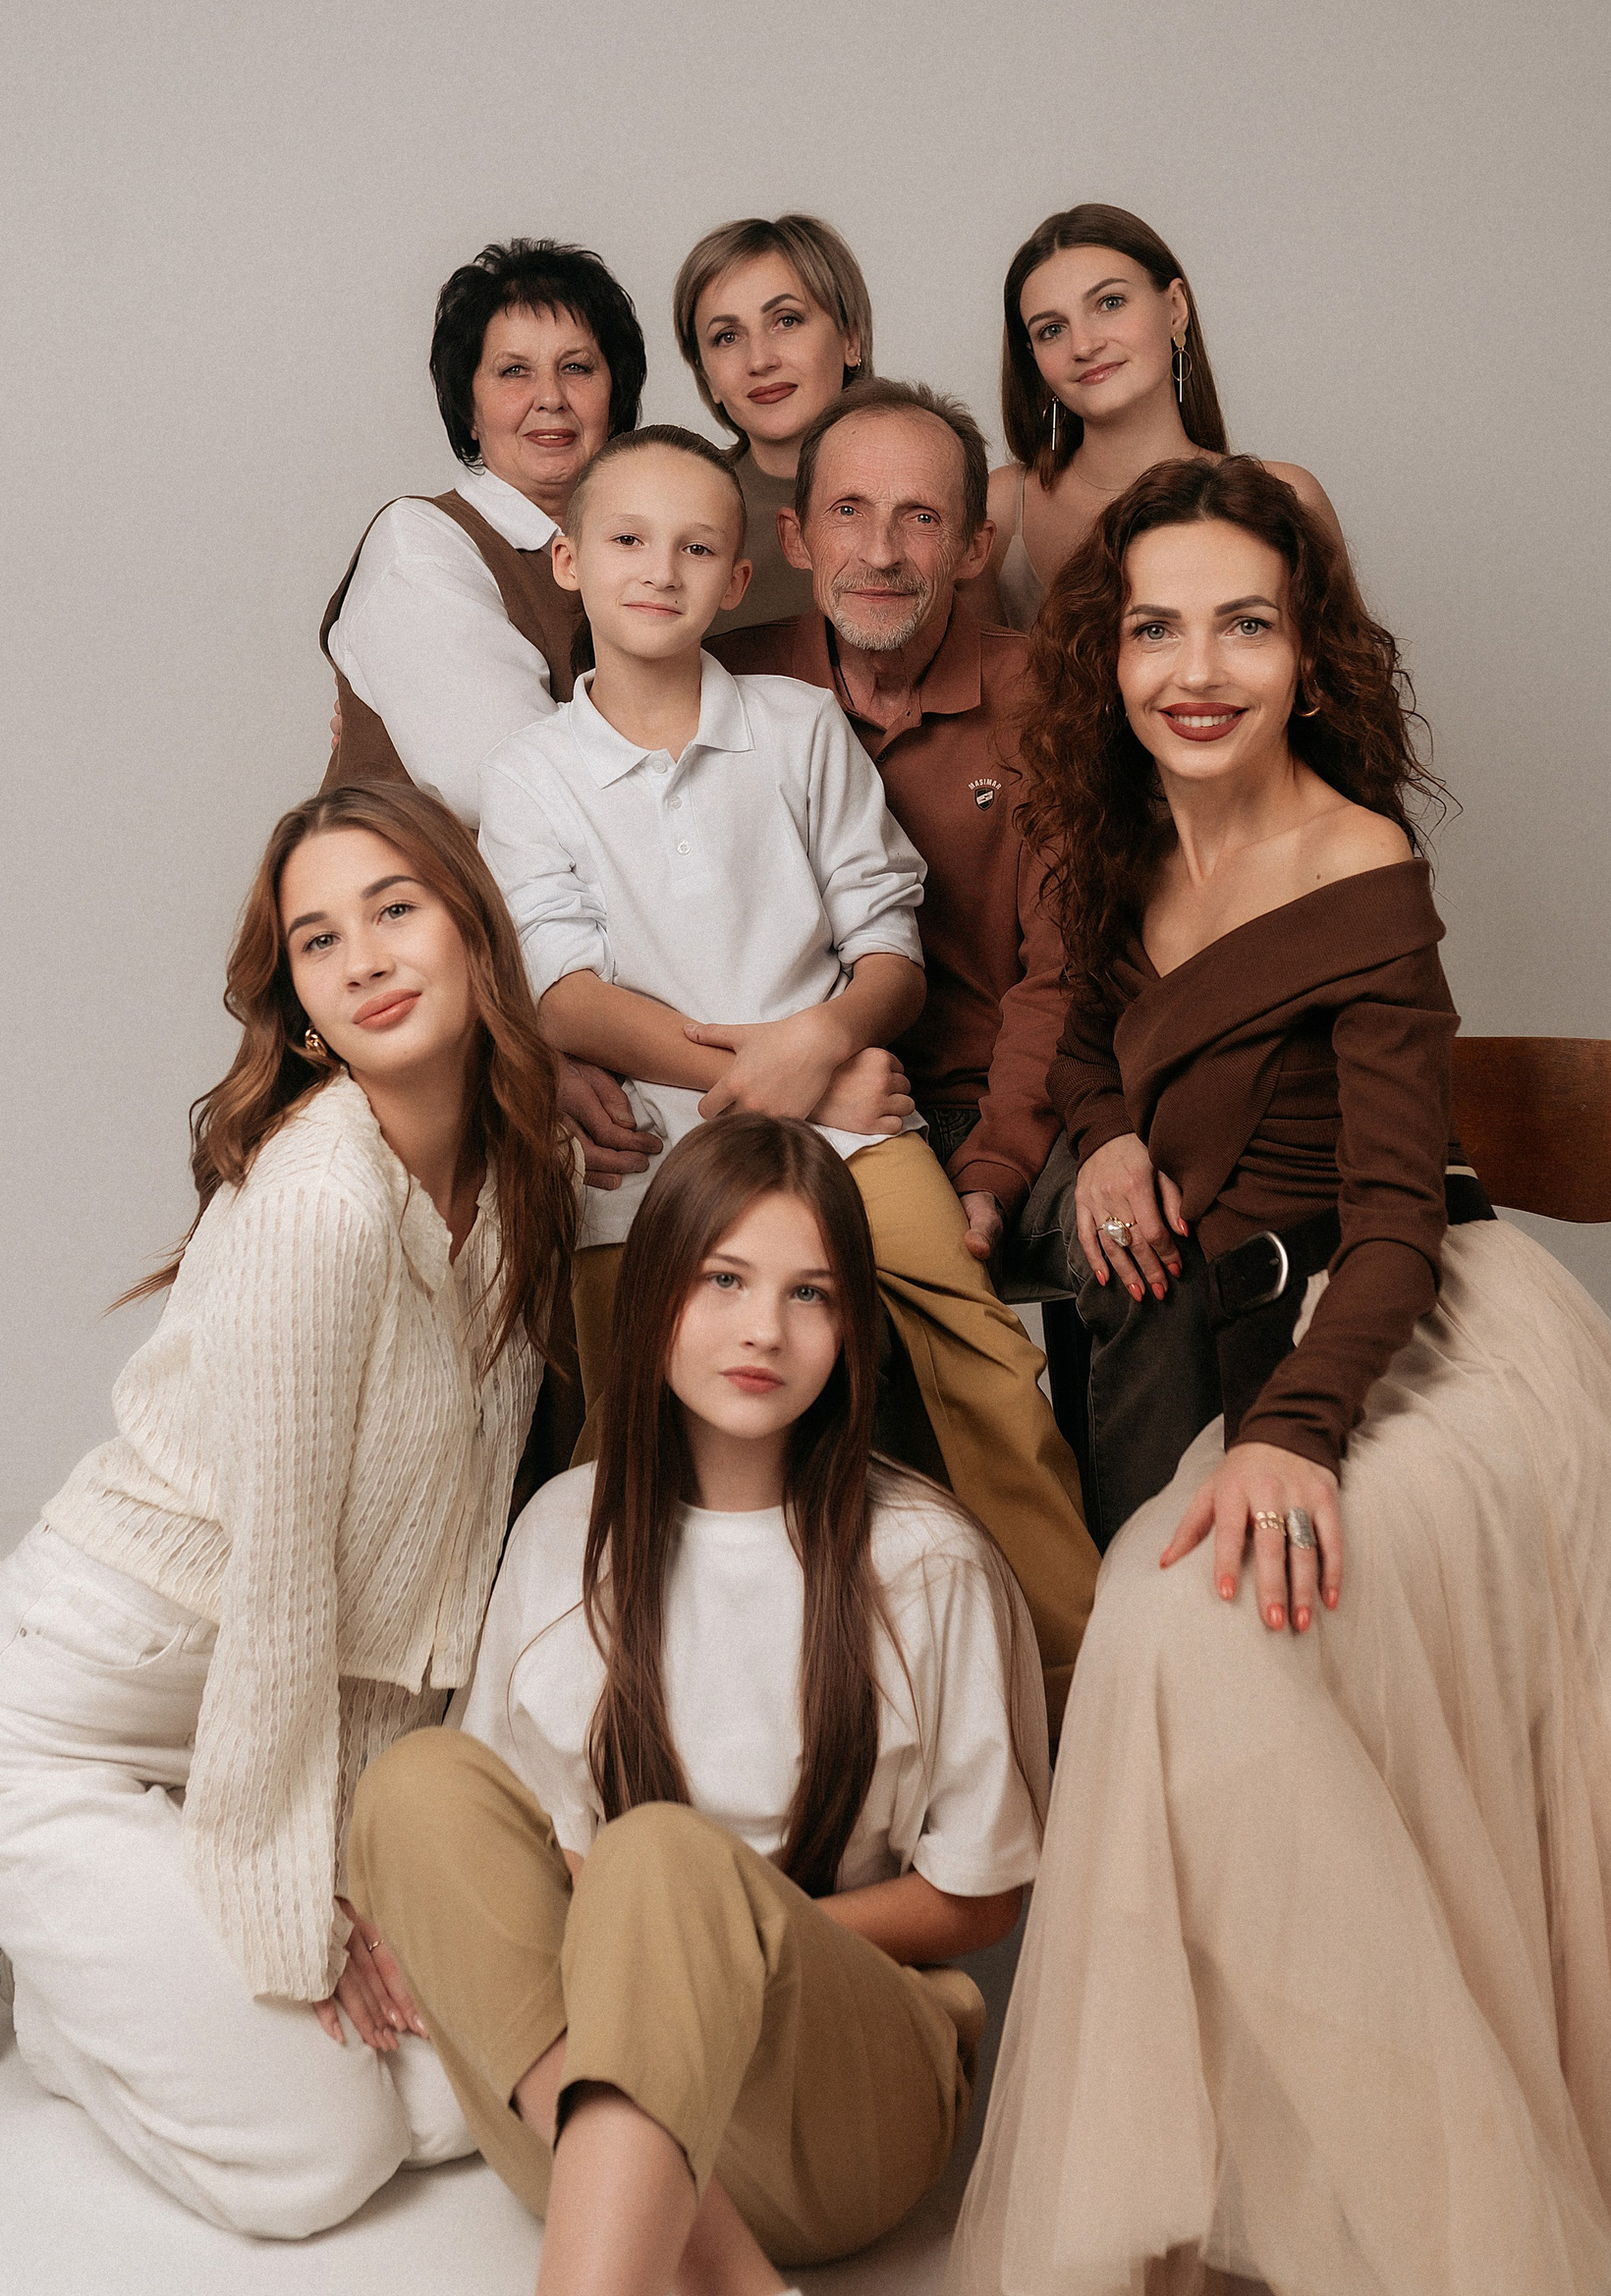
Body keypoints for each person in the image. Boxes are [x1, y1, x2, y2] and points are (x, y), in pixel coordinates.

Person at [950, 460, 1611, 2296]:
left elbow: (1399, 1223)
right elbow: (1099, 1037)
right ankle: (1257, 2197)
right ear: (1111, 654)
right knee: (1173, 1629)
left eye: (1245, 625)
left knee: (1187, 1617)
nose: (1197, 669)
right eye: (1157, 627)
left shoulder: (1359, 865)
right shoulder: (1119, 834)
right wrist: (1111, 1136)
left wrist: (1290, 1436)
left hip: (1415, 1340)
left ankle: (1438, 2218)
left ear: (1307, 654)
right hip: (1253, 1338)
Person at [0, 784, 580, 2237]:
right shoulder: (324, 1202)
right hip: (61, 1712)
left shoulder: (517, 1173)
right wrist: (299, 1904)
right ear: (301, 1008)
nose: (365, 957)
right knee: (321, 2158)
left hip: (232, 1729)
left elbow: (434, 1581)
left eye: (395, 908)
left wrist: (374, 1861)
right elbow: (286, 1594)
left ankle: (131, 1914)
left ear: (473, 929)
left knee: (449, 2102)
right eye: (319, 939)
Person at [343, 1115, 1049, 2296]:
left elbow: (981, 1893)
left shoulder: (928, 1560)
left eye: (809, 1292)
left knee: (661, 1858)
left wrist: (730, 1941)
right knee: (412, 1786)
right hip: (589, 2107)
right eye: (724, 1278)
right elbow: (522, 1852)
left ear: (851, 1327)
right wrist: (645, 1946)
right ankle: (719, 2270)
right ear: (657, 1289)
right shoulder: (564, 1529)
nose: (764, 1328)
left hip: (838, 2120)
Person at [477, 425, 1097, 1733]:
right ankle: (608, 1718)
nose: (661, 570)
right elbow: (563, 994)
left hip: (857, 1141)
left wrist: (823, 1050)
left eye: (697, 546)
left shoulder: (798, 725)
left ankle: (1080, 1685)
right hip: (648, 1156)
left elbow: (890, 948)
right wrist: (792, 1073)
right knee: (622, 1427)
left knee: (989, 1372)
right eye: (629, 541)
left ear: (743, 572)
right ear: (569, 559)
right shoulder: (530, 774)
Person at [321, 233, 659, 1194]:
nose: (549, 399)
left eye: (578, 367)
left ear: (617, 392)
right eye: (513, 371)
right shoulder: (423, 542)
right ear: (467, 402)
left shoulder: (638, 549)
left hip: (570, 1001)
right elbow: (515, 789)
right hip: (428, 1006)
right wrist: (539, 1044)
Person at [981, 201, 1340, 629]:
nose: (1083, 345)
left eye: (1110, 302)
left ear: (1175, 308)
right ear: (1033, 357)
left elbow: (1345, 667)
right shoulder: (1001, 507)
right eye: (1051, 330)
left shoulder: (1290, 496)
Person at [671, 211, 874, 633]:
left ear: (850, 339)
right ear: (707, 377)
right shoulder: (678, 510)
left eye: (786, 320)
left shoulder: (932, 489)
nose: (760, 360)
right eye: (727, 336)